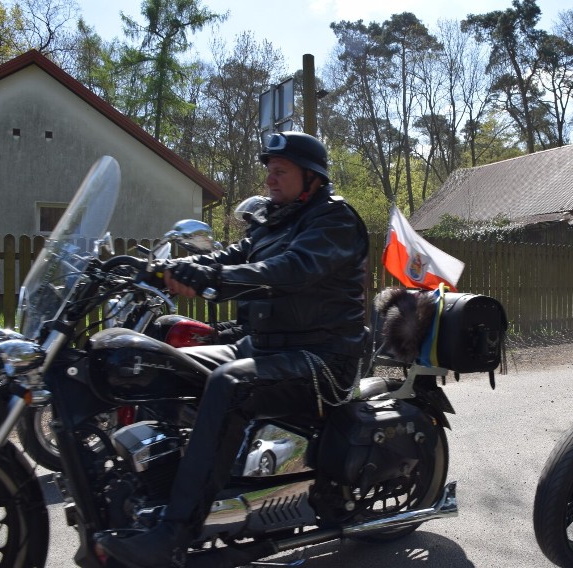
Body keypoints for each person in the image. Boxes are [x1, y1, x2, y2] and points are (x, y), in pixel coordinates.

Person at [97, 131, 370, 568]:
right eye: (269, 171)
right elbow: (231, 256)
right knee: (161, 365)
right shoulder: (275, 220)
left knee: (229, 383)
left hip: (324, 358)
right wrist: (169, 269)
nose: (270, 179)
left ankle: (174, 535)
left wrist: (215, 281)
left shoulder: (334, 220)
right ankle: (153, 495)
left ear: (311, 178)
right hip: (264, 348)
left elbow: (290, 270)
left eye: (281, 172)